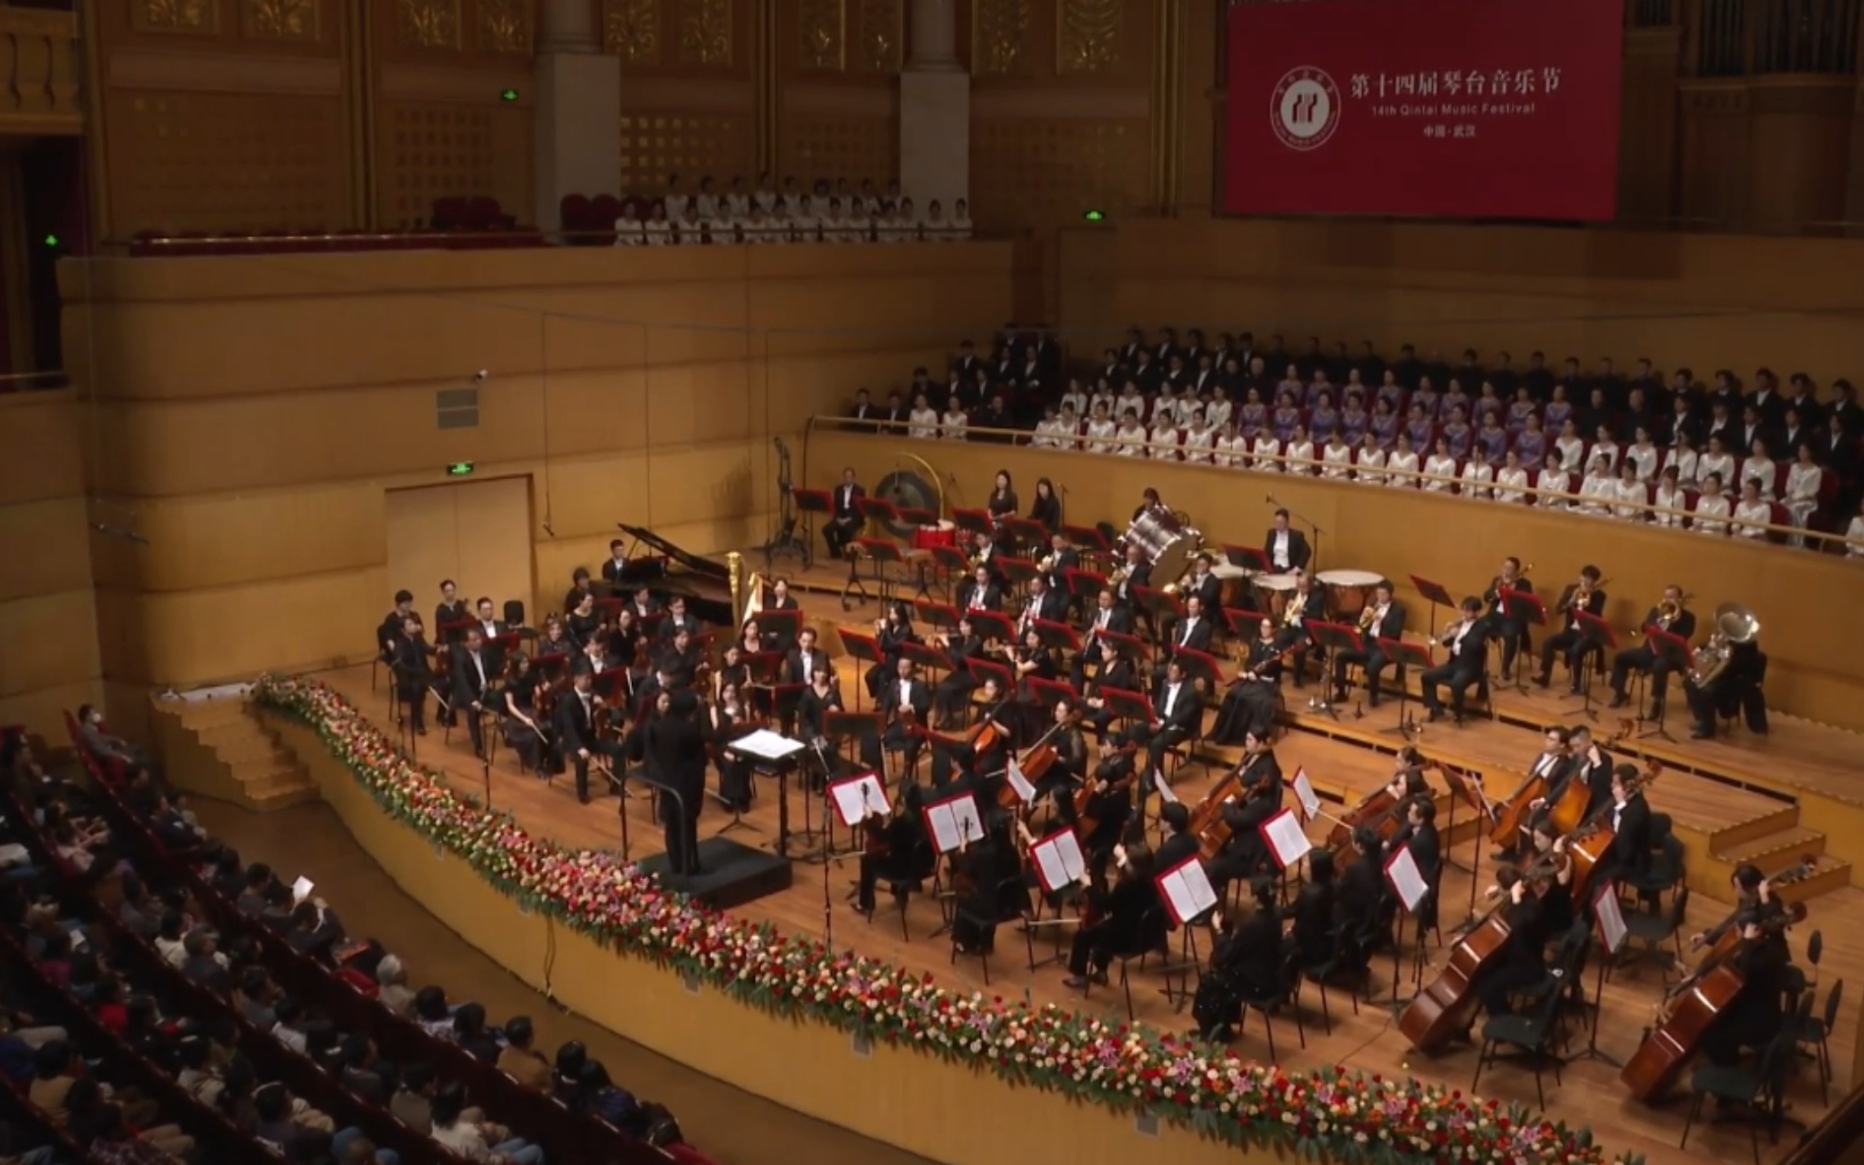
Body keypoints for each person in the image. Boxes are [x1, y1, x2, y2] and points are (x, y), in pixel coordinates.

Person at [1191, 878, 1283, 1043]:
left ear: (1255, 898)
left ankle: (1209, 1031)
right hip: (1270, 975)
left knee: (1210, 979)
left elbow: (1228, 955)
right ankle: (1224, 1025)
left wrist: (1219, 930)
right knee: (1228, 972)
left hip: (1256, 984)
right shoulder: (1276, 914)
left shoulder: (1253, 924)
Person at [1061, 845, 1164, 988]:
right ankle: (1101, 972)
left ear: (1133, 867)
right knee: (1102, 927)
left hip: (1125, 939)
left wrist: (1089, 887)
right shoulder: (1152, 883)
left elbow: (1105, 905)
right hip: (1143, 936)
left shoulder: (1126, 886)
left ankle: (1080, 976)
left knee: (1082, 936)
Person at [1699, 919, 1792, 1067]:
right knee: (1719, 1021)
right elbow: (1737, 945)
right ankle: (1729, 1054)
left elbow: (1742, 974)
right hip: (1763, 1011)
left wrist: (1748, 942)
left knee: (1711, 1035)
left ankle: (1728, 1067)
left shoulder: (1761, 960)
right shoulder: (1775, 947)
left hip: (1759, 1023)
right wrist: (1709, 938)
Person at [1607, 585, 1697, 718]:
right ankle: (1620, 693)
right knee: (1621, 657)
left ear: (1679, 599)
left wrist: (1673, 621)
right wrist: (1657, 622)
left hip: (1671, 656)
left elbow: (1683, 637)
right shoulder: (1656, 610)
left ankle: (1657, 702)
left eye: (1672, 597)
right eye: (1666, 596)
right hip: (1650, 650)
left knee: (1659, 666)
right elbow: (1643, 628)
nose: (1668, 600)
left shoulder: (1688, 617)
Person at [1473, 868, 1550, 1017]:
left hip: (1529, 967)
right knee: (1482, 972)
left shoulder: (1531, 908)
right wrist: (1500, 892)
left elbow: (1518, 924)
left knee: (1488, 987)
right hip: (1515, 957)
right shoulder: (1525, 901)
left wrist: (1515, 900)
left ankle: (1504, 1019)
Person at [649, 691, 707, 876]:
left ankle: (676, 864)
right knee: (687, 825)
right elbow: (701, 758)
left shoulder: (659, 726)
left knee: (671, 825)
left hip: (666, 781)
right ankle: (690, 865)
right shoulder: (689, 730)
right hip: (687, 783)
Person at [552, 667, 624, 804]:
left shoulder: (592, 695)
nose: (589, 681)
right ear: (576, 679)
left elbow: (610, 715)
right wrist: (579, 747)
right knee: (582, 759)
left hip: (590, 738)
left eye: (590, 678)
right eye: (586, 678)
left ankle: (616, 787)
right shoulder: (568, 701)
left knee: (618, 750)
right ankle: (582, 793)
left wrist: (604, 706)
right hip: (573, 741)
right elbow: (568, 728)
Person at [1330, 580, 1404, 708]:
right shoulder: (1372, 605)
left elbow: (1395, 631)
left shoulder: (1399, 610)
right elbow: (1362, 627)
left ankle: (1373, 697)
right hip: (1369, 644)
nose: (1380, 597)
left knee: (1372, 667)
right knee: (1340, 657)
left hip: (1385, 647)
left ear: (1390, 594)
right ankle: (1341, 692)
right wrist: (1364, 619)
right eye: (1378, 594)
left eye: (1383, 594)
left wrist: (1382, 619)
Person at [1534, 565, 1607, 693]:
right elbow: (1558, 610)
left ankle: (1577, 684)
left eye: (1589, 578)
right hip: (1571, 631)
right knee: (1548, 642)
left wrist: (1588, 604)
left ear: (1594, 581)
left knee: (1577, 649)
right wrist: (1572, 600)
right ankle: (1545, 676)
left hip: (1587, 634)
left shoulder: (1599, 595)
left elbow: (1597, 616)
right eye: (1583, 576)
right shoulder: (1571, 589)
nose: (1584, 580)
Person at [1209, 617, 1284, 743]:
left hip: (1267, 683)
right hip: (1252, 679)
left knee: (1247, 698)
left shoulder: (1276, 648)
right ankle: (1225, 732)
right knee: (1233, 694)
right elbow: (1250, 662)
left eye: (1267, 627)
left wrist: (1257, 674)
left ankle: (1244, 736)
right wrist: (1247, 672)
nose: (1264, 630)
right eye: (1262, 626)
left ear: (1273, 629)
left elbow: (1274, 669)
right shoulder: (1256, 643)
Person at [1683, 632, 1769, 739]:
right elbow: (1709, 648)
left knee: (1706, 690)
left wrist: (1723, 652)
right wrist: (1708, 647)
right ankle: (1702, 719)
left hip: (1736, 679)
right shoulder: (1725, 636)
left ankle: (1707, 728)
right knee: (1689, 682)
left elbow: (1740, 663)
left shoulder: (1748, 642)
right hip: (1723, 676)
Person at [1141, 660, 1203, 806]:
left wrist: (1163, 725)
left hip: (1180, 728)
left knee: (1156, 744)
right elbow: (1159, 705)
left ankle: (1156, 781)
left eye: (1174, 671)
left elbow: (1183, 718)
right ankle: (1148, 772)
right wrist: (1155, 718)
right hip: (1164, 721)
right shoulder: (1165, 684)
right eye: (1170, 670)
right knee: (1142, 730)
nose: (1170, 674)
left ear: (1183, 674)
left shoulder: (1191, 692)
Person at [1420, 596, 1490, 723]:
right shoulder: (1460, 624)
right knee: (1427, 675)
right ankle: (1435, 709)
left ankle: (1458, 714)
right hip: (1454, 664)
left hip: (1470, 667)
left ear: (1476, 612)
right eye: (1463, 610)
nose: (1464, 614)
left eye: (1468, 611)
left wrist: (1460, 635)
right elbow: (1446, 644)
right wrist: (1448, 633)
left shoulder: (1482, 626)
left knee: (1457, 683)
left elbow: (1475, 645)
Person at [823, 468, 864, 559]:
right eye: (846, 477)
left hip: (853, 517)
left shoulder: (859, 490)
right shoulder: (838, 489)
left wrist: (847, 519)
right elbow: (836, 506)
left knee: (847, 529)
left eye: (849, 477)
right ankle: (835, 553)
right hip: (840, 516)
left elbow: (859, 509)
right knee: (826, 530)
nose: (847, 479)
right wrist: (838, 518)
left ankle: (848, 552)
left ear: (853, 478)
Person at [1263, 508, 1310, 573]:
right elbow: (1266, 552)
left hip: (1289, 570)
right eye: (1276, 522)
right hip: (1273, 569)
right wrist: (1265, 568)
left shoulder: (1296, 535)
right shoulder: (1271, 533)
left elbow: (1306, 551)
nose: (1278, 525)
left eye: (1281, 522)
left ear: (1287, 522)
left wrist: (1297, 568)